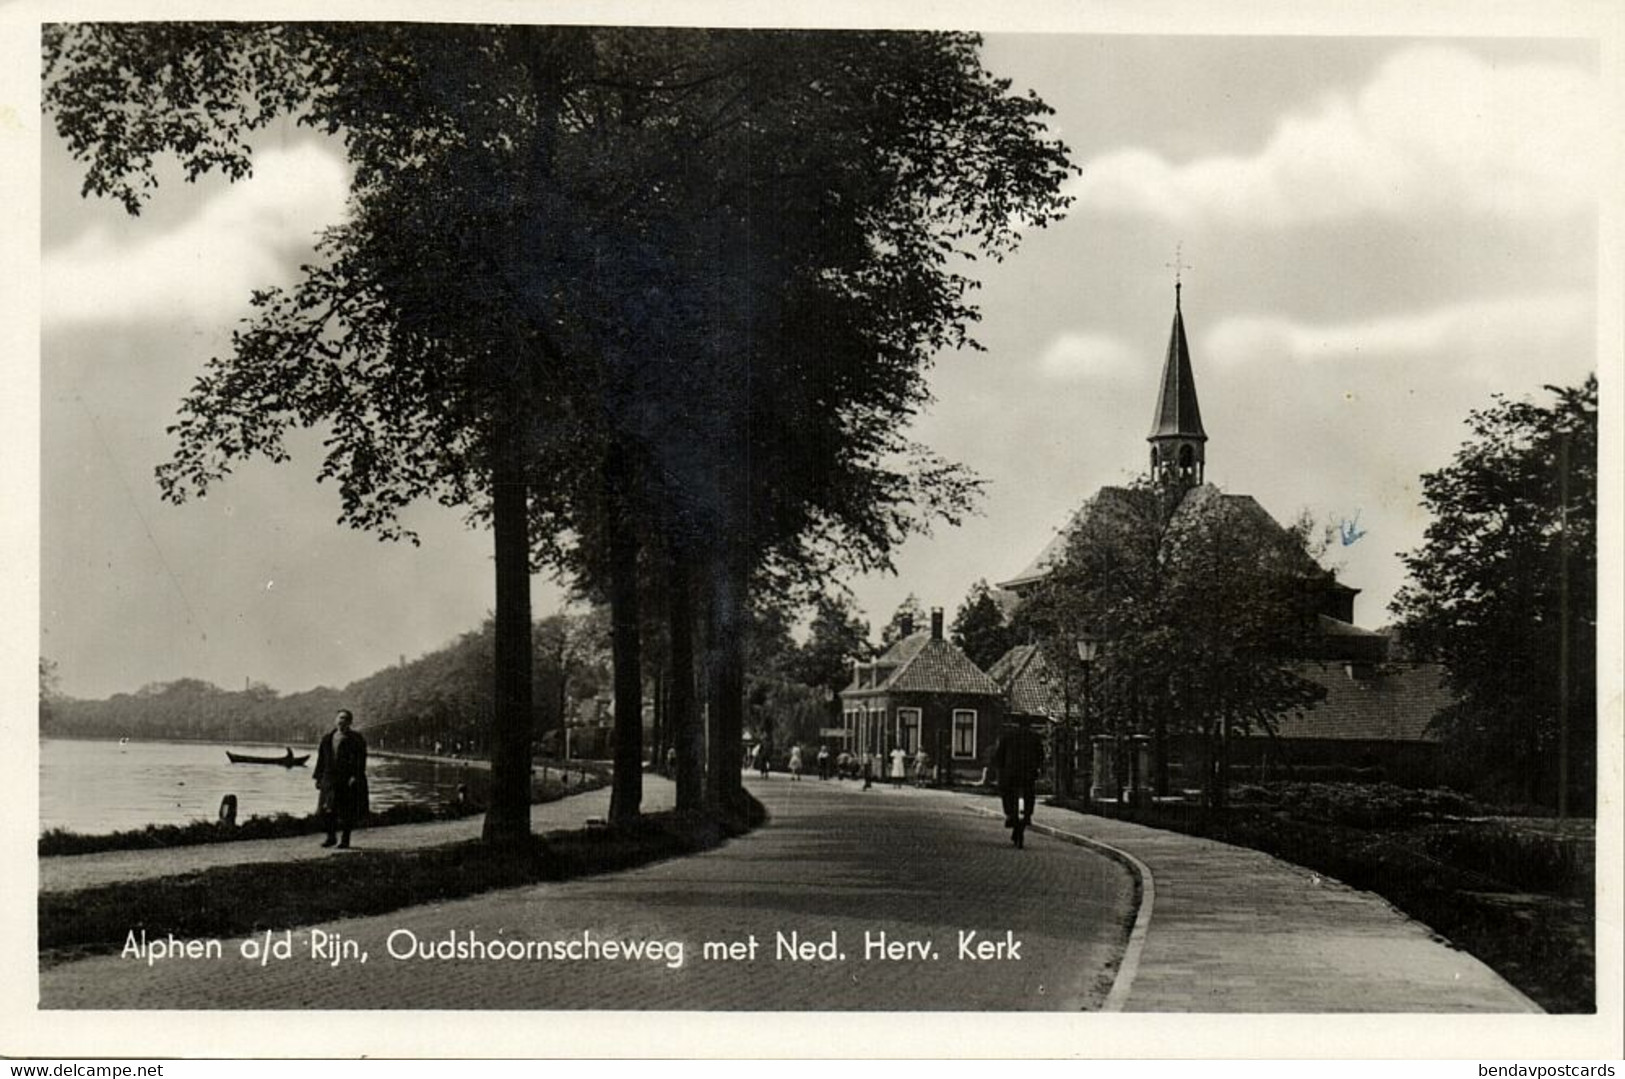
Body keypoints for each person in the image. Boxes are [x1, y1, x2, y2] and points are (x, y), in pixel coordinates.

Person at [314, 708, 369, 849]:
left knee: (346, 811)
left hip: (346, 780)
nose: (341, 721)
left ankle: (345, 840)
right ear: (335, 720)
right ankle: (331, 837)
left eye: (345, 718)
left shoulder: (356, 739)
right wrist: (318, 777)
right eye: (340, 718)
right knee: (326, 810)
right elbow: (321, 760)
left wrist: (355, 776)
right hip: (329, 780)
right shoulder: (327, 738)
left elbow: (361, 760)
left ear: (350, 722)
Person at [990, 717, 1045, 833]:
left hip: (1011, 772)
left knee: (1007, 791)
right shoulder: (1034, 737)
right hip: (1028, 772)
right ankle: (1028, 815)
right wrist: (1038, 767)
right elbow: (1041, 755)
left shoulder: (1008, 736)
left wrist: (1000, 768)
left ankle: (1010, 814)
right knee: (1029, 793)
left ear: (1017, 724)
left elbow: (999, 755)